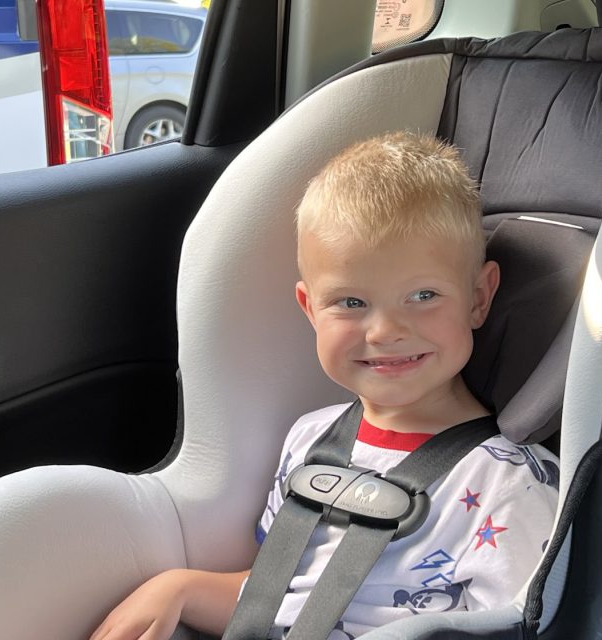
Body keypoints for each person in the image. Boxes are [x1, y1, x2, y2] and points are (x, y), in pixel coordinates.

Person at [91, 131, 560, 640]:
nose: (384, 331)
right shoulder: (310, 442)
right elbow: (278, 597)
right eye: (351, 303)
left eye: (423, 294)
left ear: (477, 298)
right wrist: (180, 588)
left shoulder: (510, 484)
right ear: (309, 309)